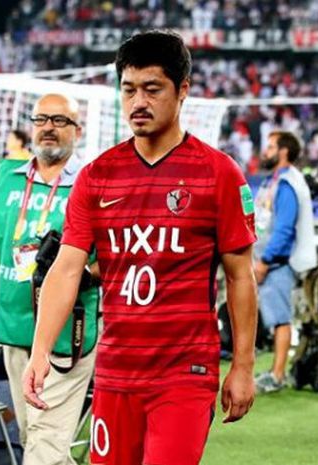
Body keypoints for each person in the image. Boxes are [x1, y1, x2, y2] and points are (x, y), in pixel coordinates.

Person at [23, 30, 258, 465]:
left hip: (184, 374)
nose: (138, 102)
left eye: (152, 89)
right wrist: (39, 351)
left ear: (182, 90)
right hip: (114, 373)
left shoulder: (219, 173)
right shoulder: (97, 176)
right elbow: (67, 268)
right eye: (129, 90)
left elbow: (240, 275)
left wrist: (243, 366)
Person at [0, 94, 98, 465]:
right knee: (32, 438)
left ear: (77, 131)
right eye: (41, 119)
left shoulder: (92, 183)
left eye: (59, 120)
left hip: (65, 335)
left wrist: (82, 273)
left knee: (44, 453)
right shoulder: (7, 178)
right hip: (15, 330)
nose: (48, 127)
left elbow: (113, 258)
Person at [253, 130, 316, 393]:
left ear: (283, 152)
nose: (264, 151)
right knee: (275, 317)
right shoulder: (275, 180)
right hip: (269, 259)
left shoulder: (287, 183)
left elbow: (284, 228)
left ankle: (277, 375)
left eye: (270, 147)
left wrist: (265, 260)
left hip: (277, 261)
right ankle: (274, 371)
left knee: (280, 318)